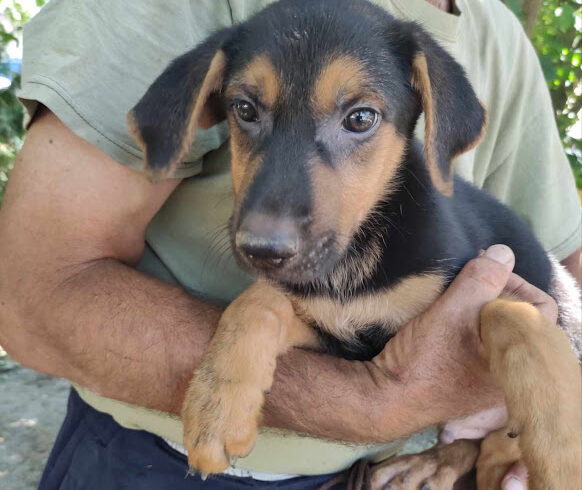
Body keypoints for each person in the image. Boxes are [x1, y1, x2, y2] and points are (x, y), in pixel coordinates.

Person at [0, 0, 579, 489]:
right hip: (153, 464)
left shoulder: (494, 31)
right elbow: (29, 296)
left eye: (358, 121)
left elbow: (560, 268)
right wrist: (376, 399)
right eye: (247, 113)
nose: (269, 232)